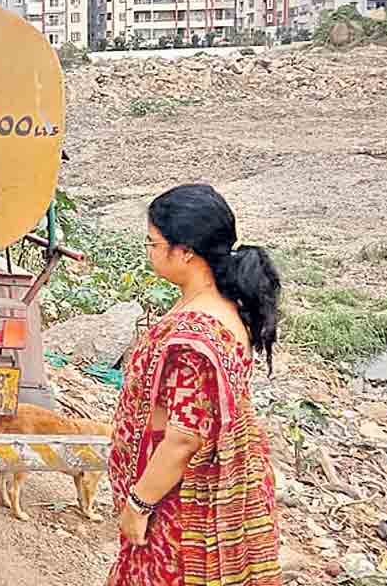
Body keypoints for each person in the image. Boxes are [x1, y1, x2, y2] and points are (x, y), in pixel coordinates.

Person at [107, 183, 283, 586]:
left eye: (153, 243)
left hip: (178, 505)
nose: (149, 252)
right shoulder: (208, 304)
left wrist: (139, 503)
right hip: (171, 492)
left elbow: (184, 437)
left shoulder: (199, 333)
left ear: (184, 251)